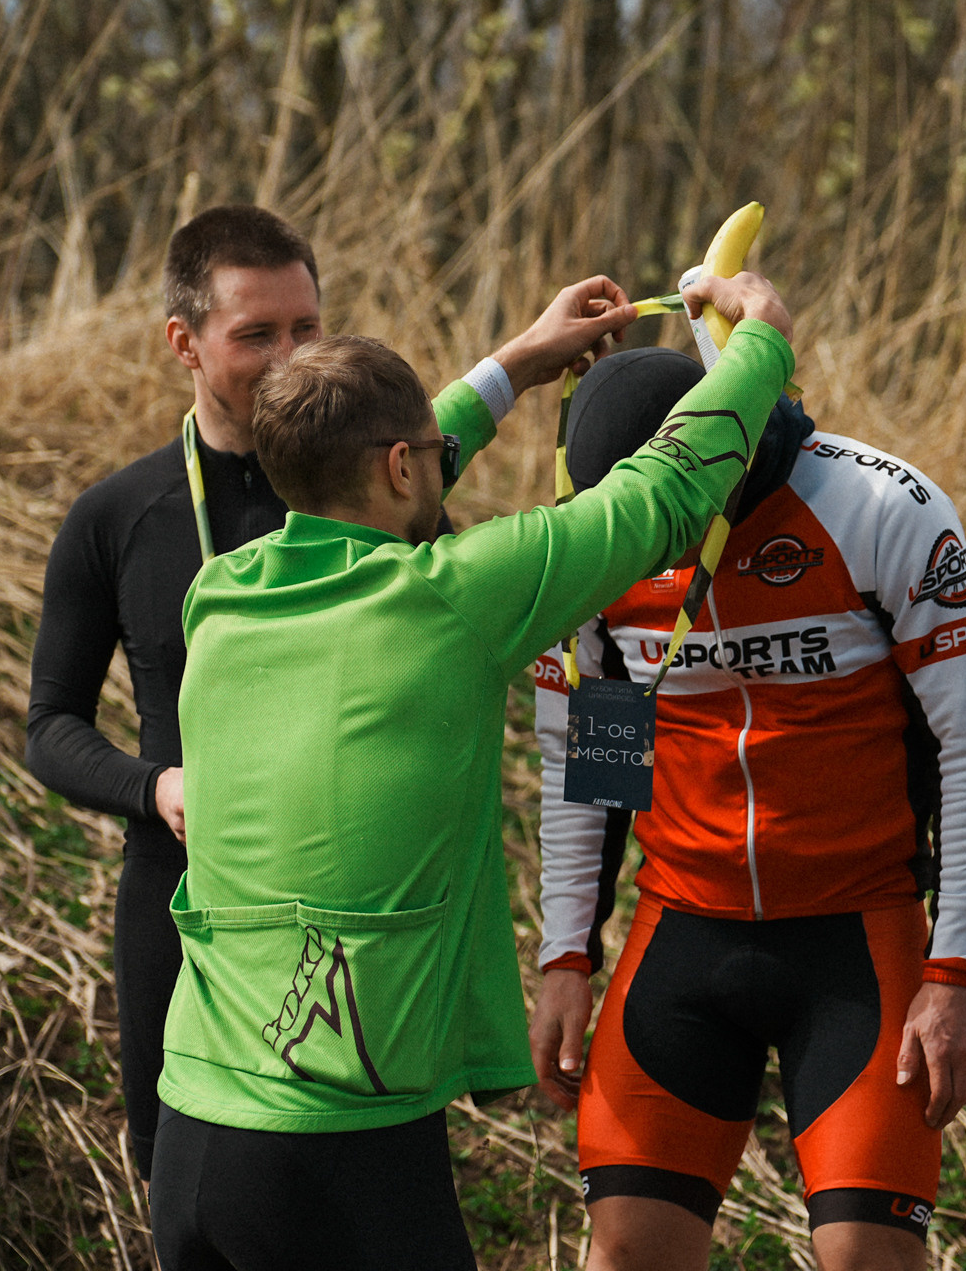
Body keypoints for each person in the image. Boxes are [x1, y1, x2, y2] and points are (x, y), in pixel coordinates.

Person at [152, 273, 799, 1271]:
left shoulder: (223, 591)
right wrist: (761, 343)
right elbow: (663, 492)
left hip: (192, 1125)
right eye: (424, 457)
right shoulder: (451, 599)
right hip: (337, 1149)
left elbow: (356, 465)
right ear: (400, 466)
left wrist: (518, 366)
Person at [526, 349, 966, 1271]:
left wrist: (959, 972)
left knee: (866, 1256)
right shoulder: (602, 538)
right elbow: (596, 763)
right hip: (683, 930)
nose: (643, 544)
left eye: (659, 517)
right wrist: (564, 959)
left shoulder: (878, 507)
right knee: (627, 1250)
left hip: (857, 938)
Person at [27, 204, 340, 1183]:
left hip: (341, 905)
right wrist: (157, 788)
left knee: (336, 1196)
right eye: (257, 334)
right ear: (184, 342)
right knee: (186, 1193)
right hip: (180, 902)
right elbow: (51, 726)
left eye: (306, 327)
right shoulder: (117, 516)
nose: (290, 358)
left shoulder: (369, 492)